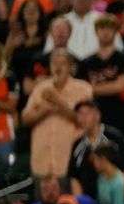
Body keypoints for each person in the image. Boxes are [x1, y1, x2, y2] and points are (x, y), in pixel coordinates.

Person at [20, 48, 94, 176]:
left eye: (62, 63)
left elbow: (85, 121)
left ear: (71, 67)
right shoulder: (40, 88)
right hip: (41, 162)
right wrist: (44, 110)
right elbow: (25, 119)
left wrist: (57, 102)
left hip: (70, 161)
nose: (58, 67)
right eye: (54, 63)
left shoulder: (84, 89)